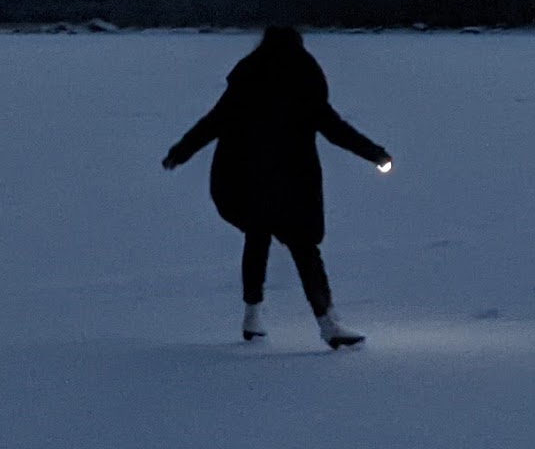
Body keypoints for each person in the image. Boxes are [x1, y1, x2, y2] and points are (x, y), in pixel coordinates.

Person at [162, 24, 390, 349]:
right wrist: (375, 154)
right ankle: (328, 323)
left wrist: (179, 153)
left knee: (258, 237)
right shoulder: (304, 82)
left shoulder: (246, 81)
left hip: (246, 179)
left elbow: (212, 122)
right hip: (290, 182)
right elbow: (335, 129)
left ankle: (253, 317)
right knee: (304, 249)